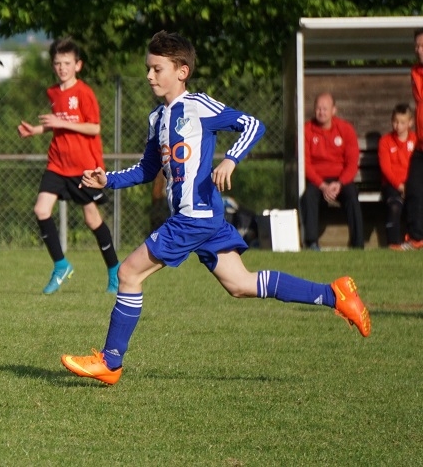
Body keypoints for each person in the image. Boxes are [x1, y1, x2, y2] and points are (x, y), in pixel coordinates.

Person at [60, 31, 371, 386]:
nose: (149, 76)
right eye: (148, 68)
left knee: (129, 274)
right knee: (240, 284)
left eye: (157, 69)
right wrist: (108, 180)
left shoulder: (198, 106)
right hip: (203, 217)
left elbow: (253, 125)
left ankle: (110, 361)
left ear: (182, 71)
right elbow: (148, 170)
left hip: (194, 217)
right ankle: (335, 294)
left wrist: (231, 159)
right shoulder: (158, 119)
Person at [17, 37, 120, 294]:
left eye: (67, 63)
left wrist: (61, 123)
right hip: (57, 164)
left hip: (83, 167)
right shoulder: (53, 92)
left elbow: (94, 127)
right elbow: (58, 123)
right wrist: (37, 130)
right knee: (41, 209)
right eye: (57, 63)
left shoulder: (84, 93)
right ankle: (61, 265)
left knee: (92, 219)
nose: (62, 68)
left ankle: (114, 270)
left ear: (78, 65)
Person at [299, 92, 364, 250]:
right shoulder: (306, 130)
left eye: (325, 109)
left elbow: (352, 163)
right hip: (318, 180)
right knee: (308, 196)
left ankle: (358, 244)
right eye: (318, 108)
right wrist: (322, 185)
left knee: (352, 194)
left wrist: (340, 183)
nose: (321, 112)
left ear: (334, 110)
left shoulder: (345, 129)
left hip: (340, 180)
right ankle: (311, 242)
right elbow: (305, 163)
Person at [394, 28, 423, 251]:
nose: (419, 50)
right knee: (413, 189)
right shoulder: (415, 72)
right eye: (417, 46)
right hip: (421, 145)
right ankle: (416, 238)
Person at [378, 103, 417, 248]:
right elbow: (386, 169)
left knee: (417, 204)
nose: (398, 126)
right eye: (395, 121)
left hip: (411, 184)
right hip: (392, 184)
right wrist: (400, 186)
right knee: (394, 206)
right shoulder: (385, 141)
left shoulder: (416, 140)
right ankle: (393, 244)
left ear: (410, 123)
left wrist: (410, 186)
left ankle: (415, 240)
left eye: (402, 122)